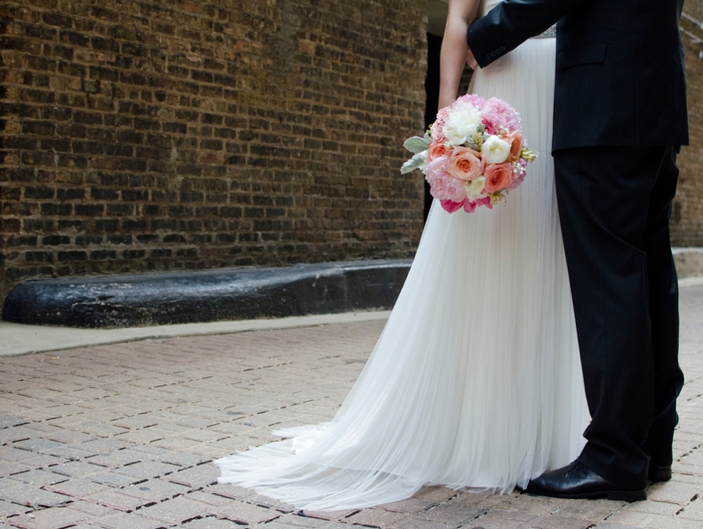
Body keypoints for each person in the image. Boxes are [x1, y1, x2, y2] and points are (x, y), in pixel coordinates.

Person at [214, 0, 588, 511]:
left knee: (553, 251)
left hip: (564, 91)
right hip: (505, 92)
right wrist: (448, 116)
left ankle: (549, 432)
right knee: (485, 250)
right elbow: (459, 20)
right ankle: (476, 430)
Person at [467, 0, 689, 502]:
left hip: (604, 102)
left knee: (609, 280)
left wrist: (483, 37)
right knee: (650, 276)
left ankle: (615, 456)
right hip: (655, 96)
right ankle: (653, 444)